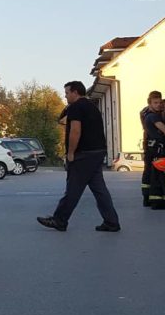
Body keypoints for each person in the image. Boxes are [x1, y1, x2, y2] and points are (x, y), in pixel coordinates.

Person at [37, 81, 121, 231]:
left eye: (67, 93)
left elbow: (75, 131)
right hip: (97, 152)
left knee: (73, 188)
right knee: (99, 189)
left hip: (83, 154)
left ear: (75, 92)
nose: (65, 96)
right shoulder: (92, 107)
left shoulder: (76, 107)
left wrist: (70, 152)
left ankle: (59, 220)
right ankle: (111, 221)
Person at [140, 92, 162, 207]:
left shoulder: (144, 112)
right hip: (151, 144)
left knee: (148, 171)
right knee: (151, 171)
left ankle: (147, 197)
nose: (158, 105)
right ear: (150, 103)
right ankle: (150, 197)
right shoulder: (151, 115)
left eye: (160, 102)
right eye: (156, 102)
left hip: (148, 143)